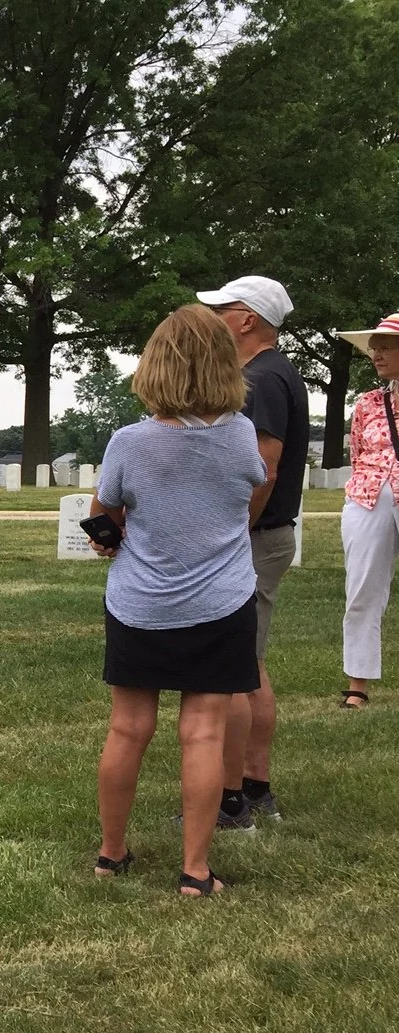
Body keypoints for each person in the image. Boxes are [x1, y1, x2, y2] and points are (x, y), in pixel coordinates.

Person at [90, 306, 266, 897]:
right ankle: (195, 870)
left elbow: (104, 515)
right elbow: (246, 493)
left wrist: (109, 539)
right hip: (220, 597)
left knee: (128, 727)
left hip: (140, 602)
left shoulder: (128, 442)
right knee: (203, 734)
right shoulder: (241, 434)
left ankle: (111, 854)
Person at [196, 276, 310, 826]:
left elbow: (260, 471)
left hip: (254, 536)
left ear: (246, 319)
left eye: (220, 309)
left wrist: (233, 532)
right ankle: (256, 785)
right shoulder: (274, 373)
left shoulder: (260, 380)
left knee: (237, 667)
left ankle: (232, 796)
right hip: (266, 535)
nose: (212, 318)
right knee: (252, 662)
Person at [333, 312, 399, 708]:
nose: (376, 352)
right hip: (367, 499)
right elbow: (358, 455)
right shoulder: (367, 403)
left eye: (386, 345)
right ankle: (357, 685)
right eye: (374, 345)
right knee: (361, 591)